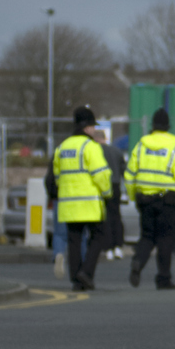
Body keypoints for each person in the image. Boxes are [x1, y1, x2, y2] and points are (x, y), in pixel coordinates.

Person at [126, 108, 175, 290]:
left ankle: (138, 261)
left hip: (145, 200)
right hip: (166, 201)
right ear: (168, 127)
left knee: (147, 237)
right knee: (166, 239)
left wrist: (134, 196)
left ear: (153, 126)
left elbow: (129, 174)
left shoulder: (141, 146)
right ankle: (163, 278)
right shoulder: (174, 149)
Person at [52, 106, 111, 291]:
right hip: (90, 204)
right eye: (93, 126)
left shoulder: (61, 148)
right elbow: (101, 174)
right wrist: (108, 193)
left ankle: (76, 281)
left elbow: (57, 176)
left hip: (69, 205)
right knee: (98, 237)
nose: (94, 130)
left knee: (74, 241)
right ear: (87, 128)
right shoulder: (90, 147)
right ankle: (86, 273)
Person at [96, 131, 126, 260]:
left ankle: (107, 248)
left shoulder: (95, 152)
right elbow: (125, 171)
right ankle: (118, 247)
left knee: (104, 218)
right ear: (105, 138)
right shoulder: (117, 151)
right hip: (116, 185)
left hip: (101, 186)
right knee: (116, 216)